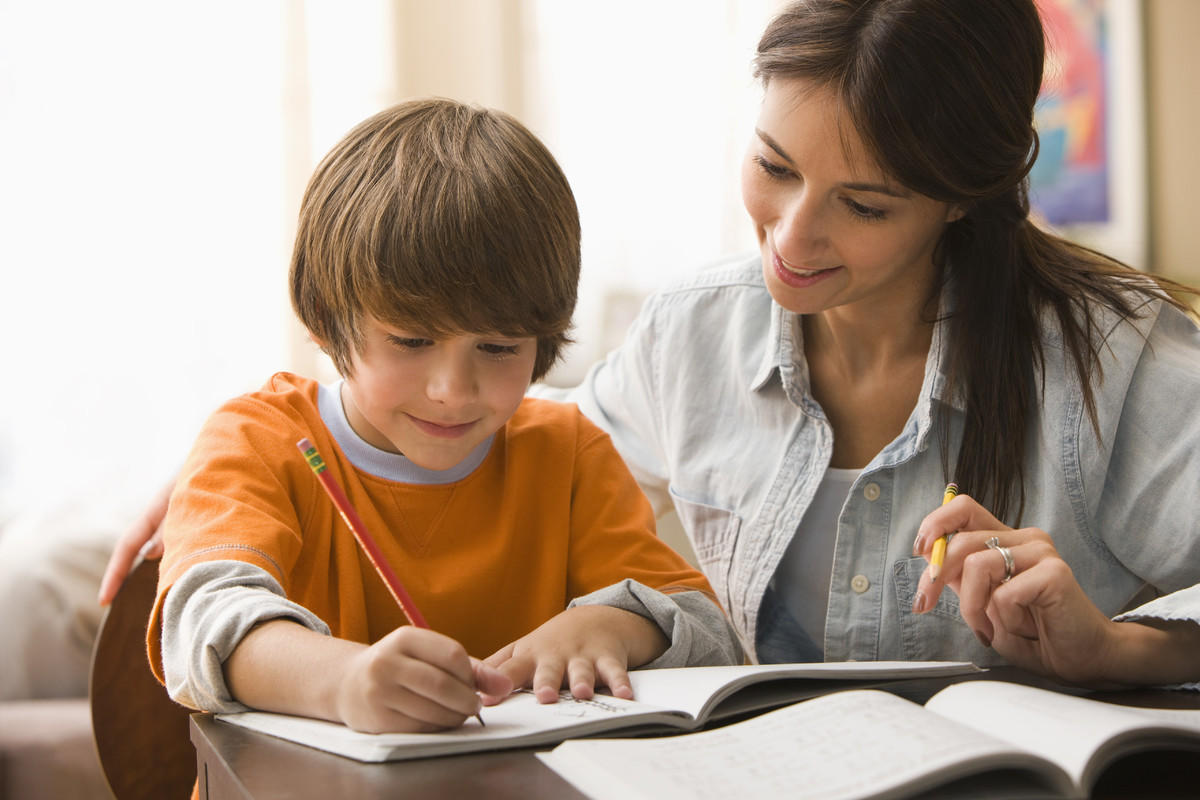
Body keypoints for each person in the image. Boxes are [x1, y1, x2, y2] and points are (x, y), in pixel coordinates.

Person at [108, 0, 1200, 689]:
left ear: (962, 201)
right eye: (774, 165)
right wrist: (234, 454)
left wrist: (1118, 646)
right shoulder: (695, 332)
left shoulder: (1117, 362)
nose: (791, 235)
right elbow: (500, 417)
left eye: (864, 205)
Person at [146, 98, 739, 739]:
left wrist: (612, 626)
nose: (453, 392)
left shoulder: (566, 454)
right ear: (323, 317)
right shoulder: (257, 442)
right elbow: (200, 624)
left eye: (499, 347)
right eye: (410, 341)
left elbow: (704, 629)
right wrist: (344, 682)